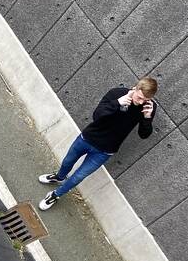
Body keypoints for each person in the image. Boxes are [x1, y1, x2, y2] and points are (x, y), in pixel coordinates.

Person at [38, 77, 158, 211]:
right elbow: (97, 115)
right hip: (87, 138)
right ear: (136, 88)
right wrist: (117, 103)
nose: (141, 102)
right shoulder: (116, 93)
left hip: (105, 150)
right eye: (140, 97)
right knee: (67, 161)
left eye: (145, 100)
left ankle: (55, 195)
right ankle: (59, 177)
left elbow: (144, 134)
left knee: (79, 176)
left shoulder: (148, 108)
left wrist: (147, 118)